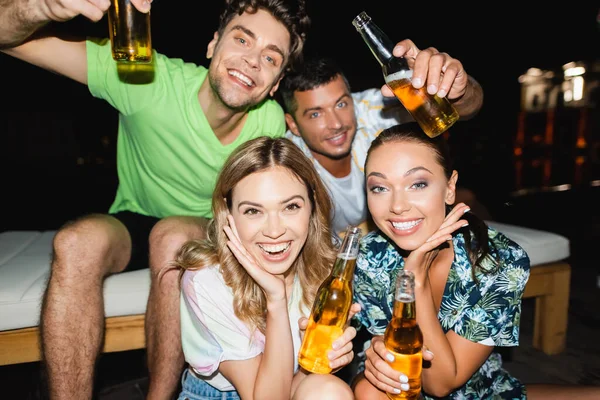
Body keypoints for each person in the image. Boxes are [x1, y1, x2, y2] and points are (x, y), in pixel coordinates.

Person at [0, 0, 309, 399]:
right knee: (75, 242)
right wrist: (39, 7)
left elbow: (328, 146)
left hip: (203, 231)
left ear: (276, 83)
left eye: (270, 57)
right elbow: (8, 39)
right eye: (241, 40)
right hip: (134, 216)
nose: (251, 61)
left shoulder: (269, 122)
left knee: (173, 236)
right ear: (213, 45)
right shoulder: (146, 79)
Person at [351, 122, 600, 399]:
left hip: (478, 393)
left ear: (449, 187)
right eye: (379, 188)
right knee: (367, 390)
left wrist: (414, 280)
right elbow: (386, 365)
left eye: (417, 184)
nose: (397, 205)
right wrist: (372, 361)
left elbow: (442, 383)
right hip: (398, 390)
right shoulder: (373, 252)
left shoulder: (501, 261)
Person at [171, 136, 358, 399]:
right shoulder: (206, 280)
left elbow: (295, 384)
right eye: (253, 211)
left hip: (284, 386)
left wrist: (320, 360)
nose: (274, 231)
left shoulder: (330, 268)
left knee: (329, 392)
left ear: (312, 205)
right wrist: (276, 299)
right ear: (229, 213)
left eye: (291, 207)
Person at [278, 55, 488, 238]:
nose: (336, 124)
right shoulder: (288, 165)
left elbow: (464, 109)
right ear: (294, 124)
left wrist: (455, 87)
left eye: (341, 104)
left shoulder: (372, 111)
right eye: (316, 114)